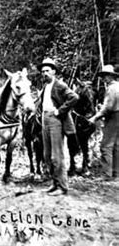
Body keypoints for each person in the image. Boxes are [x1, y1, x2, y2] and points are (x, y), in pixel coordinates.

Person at [38, 58, 78, 196]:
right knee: (47, 155)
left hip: (55, 120)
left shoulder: (60, 85)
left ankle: (63, 186)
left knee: (57, 155)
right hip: (45, 119)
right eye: (43, 71)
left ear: (54, 71)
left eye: (47, 71)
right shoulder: (45, 86)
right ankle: (55, 183)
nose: (44, 73)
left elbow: (74, 97)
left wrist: (59, 111)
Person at [88, 64, 119, 181]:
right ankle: (116, 173)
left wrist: (94, 117)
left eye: (105, 76)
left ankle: (107, 174)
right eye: (103, 76)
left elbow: (108, 107)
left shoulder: (111, 88)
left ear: (111, 77)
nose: (104, 79)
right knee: (116, 145)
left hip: (113, 117)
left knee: (106, 146)